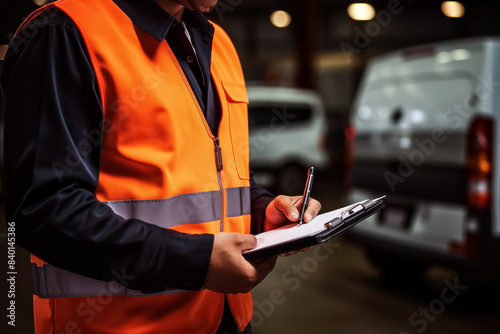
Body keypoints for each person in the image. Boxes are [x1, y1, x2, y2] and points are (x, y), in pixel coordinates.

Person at [1, 0, 322, 333]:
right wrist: (194, 261)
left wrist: (263, 210)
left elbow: (221, 172)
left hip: (229, 321)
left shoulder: (218, 42)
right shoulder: (66, 33)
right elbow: (41, 208)